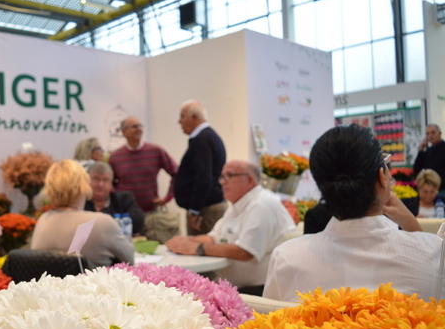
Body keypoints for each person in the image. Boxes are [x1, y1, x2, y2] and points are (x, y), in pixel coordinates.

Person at [264, 124, 440, 302]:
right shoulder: (431, 253)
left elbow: (270, 316)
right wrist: (412, 225)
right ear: (382, 177)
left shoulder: (287, 258)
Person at [166, 160, 295, 291]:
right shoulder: (238, 204)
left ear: (250, 180)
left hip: (258, 291)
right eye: (222, 176)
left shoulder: (262, 205)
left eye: (230, 175)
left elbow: (246, 252)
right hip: (235, 288)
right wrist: (183, 242)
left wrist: (198, 248)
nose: (222, 182)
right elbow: (214, 237)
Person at [31, 159, 134, 266]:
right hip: (91, 277)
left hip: (48, 277)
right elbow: (130, 260)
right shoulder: (102, 222)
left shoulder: (43, 221)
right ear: (83, 186)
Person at [174, 100, 227, 235]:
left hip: (205, 211)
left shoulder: (202, 140)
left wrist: (194, 210)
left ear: (194, 117)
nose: (179, 121)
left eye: (182, 116)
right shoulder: (207, 137)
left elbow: (203, 177)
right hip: (206, 207)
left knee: (201, 247)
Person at [108, 116, 177, 213]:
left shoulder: (156, 151)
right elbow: (108, 182)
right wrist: (117, 200)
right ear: (124, 132)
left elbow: (177, 173)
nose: (139, 129)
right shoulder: (115, 157)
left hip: (150, 212)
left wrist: (167, 198)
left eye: (140, 126)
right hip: (125, 213)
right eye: (134, 126)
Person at [84, 162, 144, 234]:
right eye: (96, 179)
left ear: (111, 184)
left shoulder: (124, 199)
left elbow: (138, 221)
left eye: (105, 180)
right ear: (87, 180)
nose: (100, 184)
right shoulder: (81, 202)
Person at [413, 124, 445, 190]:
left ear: (440, 133)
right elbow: (416, 169)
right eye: (427, 134)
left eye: (433, 133)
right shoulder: (428, 151)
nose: (430, 136)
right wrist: (421, 150)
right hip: (430, 190)